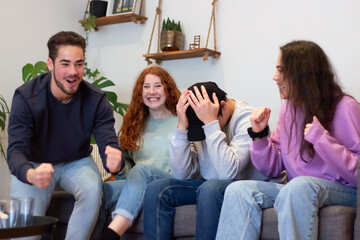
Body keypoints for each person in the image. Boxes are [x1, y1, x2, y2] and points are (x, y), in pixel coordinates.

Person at [216, 40, 360, 240]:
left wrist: (322, 140)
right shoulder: (288, 109)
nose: (275, 77)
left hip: (345, 191)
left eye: (281, 70)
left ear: (303, 74)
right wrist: (259, 136)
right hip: (298, 189)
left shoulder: (345, 107)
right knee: (238, 190)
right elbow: (273, 168)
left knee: (298, 186)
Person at [7, 31, 123, 240]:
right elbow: (16, 150)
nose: (73, 71)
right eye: (65, 64)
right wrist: (29, 174)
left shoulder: (96, 100)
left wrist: (115, 160)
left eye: (79, 64)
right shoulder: (26, 97)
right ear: (50, 64)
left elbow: (109, 143)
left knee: (91, 188)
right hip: (35, 163)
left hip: (76, 161)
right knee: (25, 234)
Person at [143, 81, 268, 240]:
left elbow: (228, 172)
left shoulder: (248, 119)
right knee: (157, 188)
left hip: (242, 185)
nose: (202, 133)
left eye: (203, 127)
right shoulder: (197, 116)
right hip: (211, 184)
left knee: (210, 188)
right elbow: (180, 174)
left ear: (222, 107)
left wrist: (211, 125)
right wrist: (181, 127)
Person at [99, 66, 181, 240]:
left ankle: (111, 235)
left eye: (158, 86)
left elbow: (195, 165)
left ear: (168, 89)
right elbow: (128, 172)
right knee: (100, 191)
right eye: (146, 87)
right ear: (140, 92)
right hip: (139, 183)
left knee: (142, 170)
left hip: (170, 185)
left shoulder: (182, 122)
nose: (152, 91)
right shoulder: (133, 126)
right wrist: (119, 168)